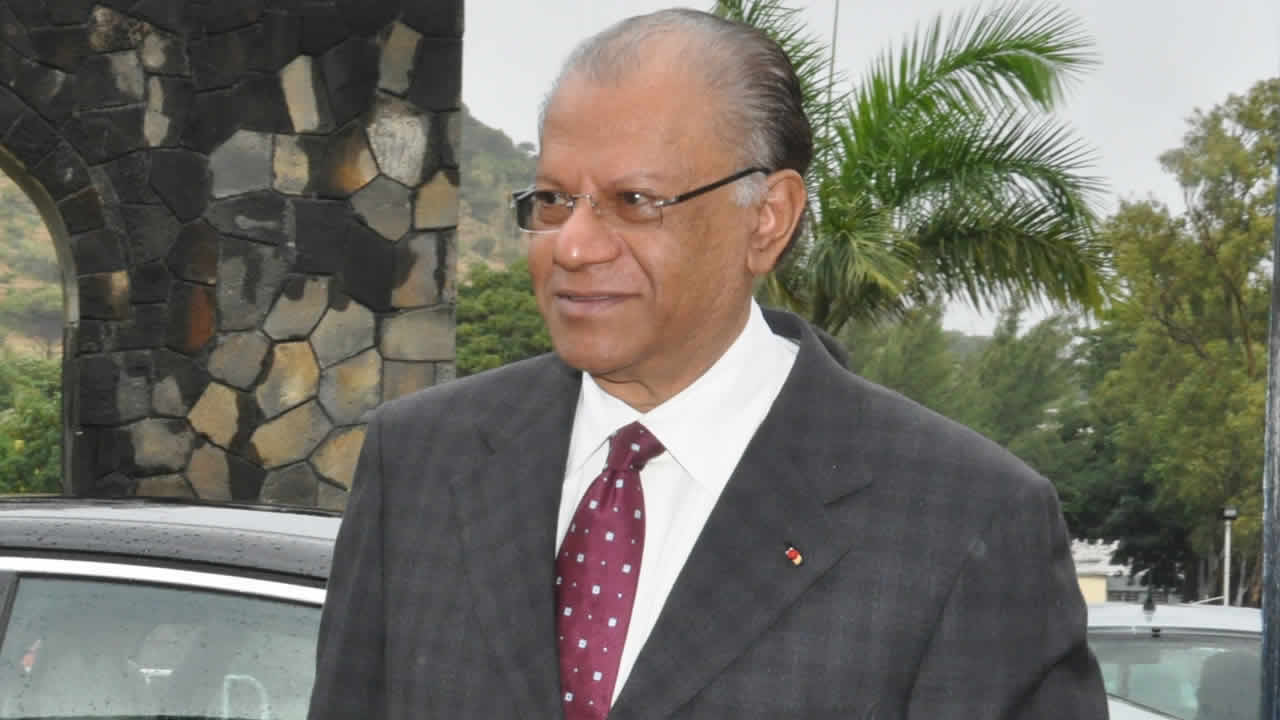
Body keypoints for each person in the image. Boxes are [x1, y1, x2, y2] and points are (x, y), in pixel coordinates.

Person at [308, 9, 1108, 719]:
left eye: (634, 202)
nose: (573, 246)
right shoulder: (420, 462)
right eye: (552, 200)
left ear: (767, 219)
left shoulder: (966, 522)